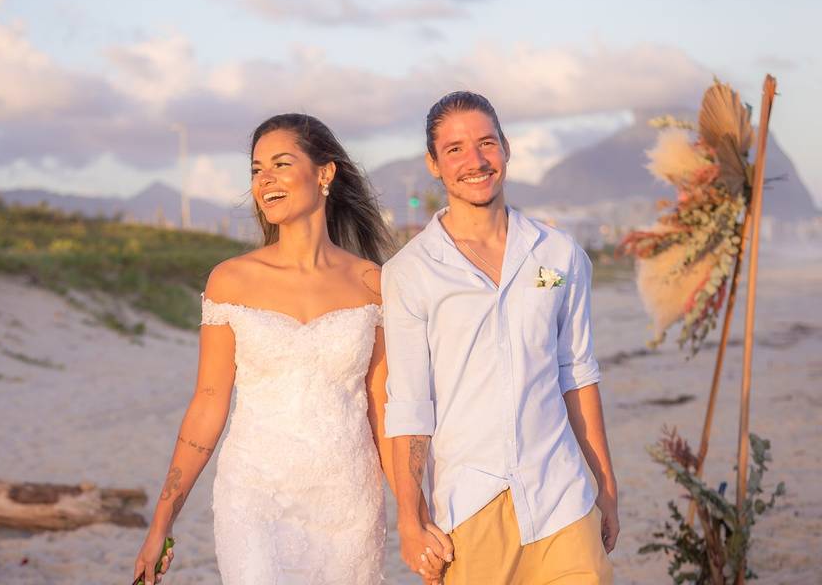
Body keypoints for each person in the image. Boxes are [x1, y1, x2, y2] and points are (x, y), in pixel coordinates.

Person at [132, 113, 451, 585]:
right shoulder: (231, 280)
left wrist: (413, 514)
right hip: (254, 497)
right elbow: (207, 404)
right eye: (257, 170)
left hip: (348, 502)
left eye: (281, 164)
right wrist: (162, 521)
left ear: (324, 174)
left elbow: (384, 413)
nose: (265, 180)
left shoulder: (371, 283)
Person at [384, 91, 619, 584]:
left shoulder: (558, 256)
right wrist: (410, 517)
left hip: (563, 500)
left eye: (486, 143)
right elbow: (409, 404)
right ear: (433, 164)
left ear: (506, 149)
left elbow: (577, 372)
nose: (475, 160)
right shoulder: (411, 272)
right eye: (455, 149)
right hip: (470, 510)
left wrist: (606, 487)